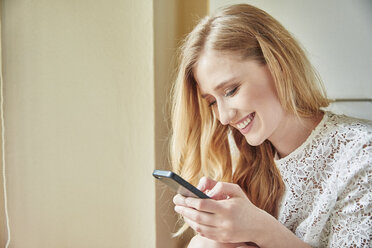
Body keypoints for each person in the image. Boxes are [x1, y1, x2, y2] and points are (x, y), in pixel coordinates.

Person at [169, 3, 372, 248]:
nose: (223, 117)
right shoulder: (247, 160)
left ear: (278, 65)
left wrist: (259, 227)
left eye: (231, 90)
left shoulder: (360, 155)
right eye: (212, 101)